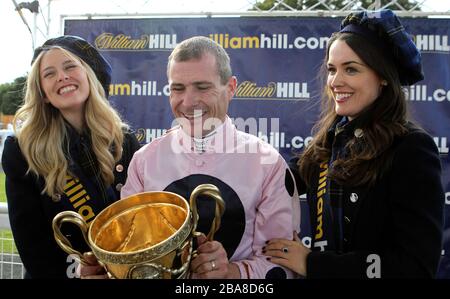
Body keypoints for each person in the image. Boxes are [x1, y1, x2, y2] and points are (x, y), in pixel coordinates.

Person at [81, 36, 300, 279]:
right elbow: (132, 258)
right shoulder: (144, 162)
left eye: (202, 87)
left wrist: (231, 273)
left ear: (230, 88)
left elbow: (284, 268)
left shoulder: (267, 163)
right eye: (178, 88)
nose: (188, 102)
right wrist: (107, 270)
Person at [264, 9, 445, 278]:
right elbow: (274, 180)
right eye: (332, 69)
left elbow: (416, 267)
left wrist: (314, 264)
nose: (336, 81)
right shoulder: (329, 141)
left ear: (383, 76)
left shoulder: (411, 148)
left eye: (351, 69)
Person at [2, 35, 141, 279]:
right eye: (49, 74)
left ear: (90, 76)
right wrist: (79, 272)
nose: (62, 77)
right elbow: (33, 245)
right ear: (43, 93)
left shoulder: (124, 140)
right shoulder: (21, 149)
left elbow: (141, 221)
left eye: (70, 67)